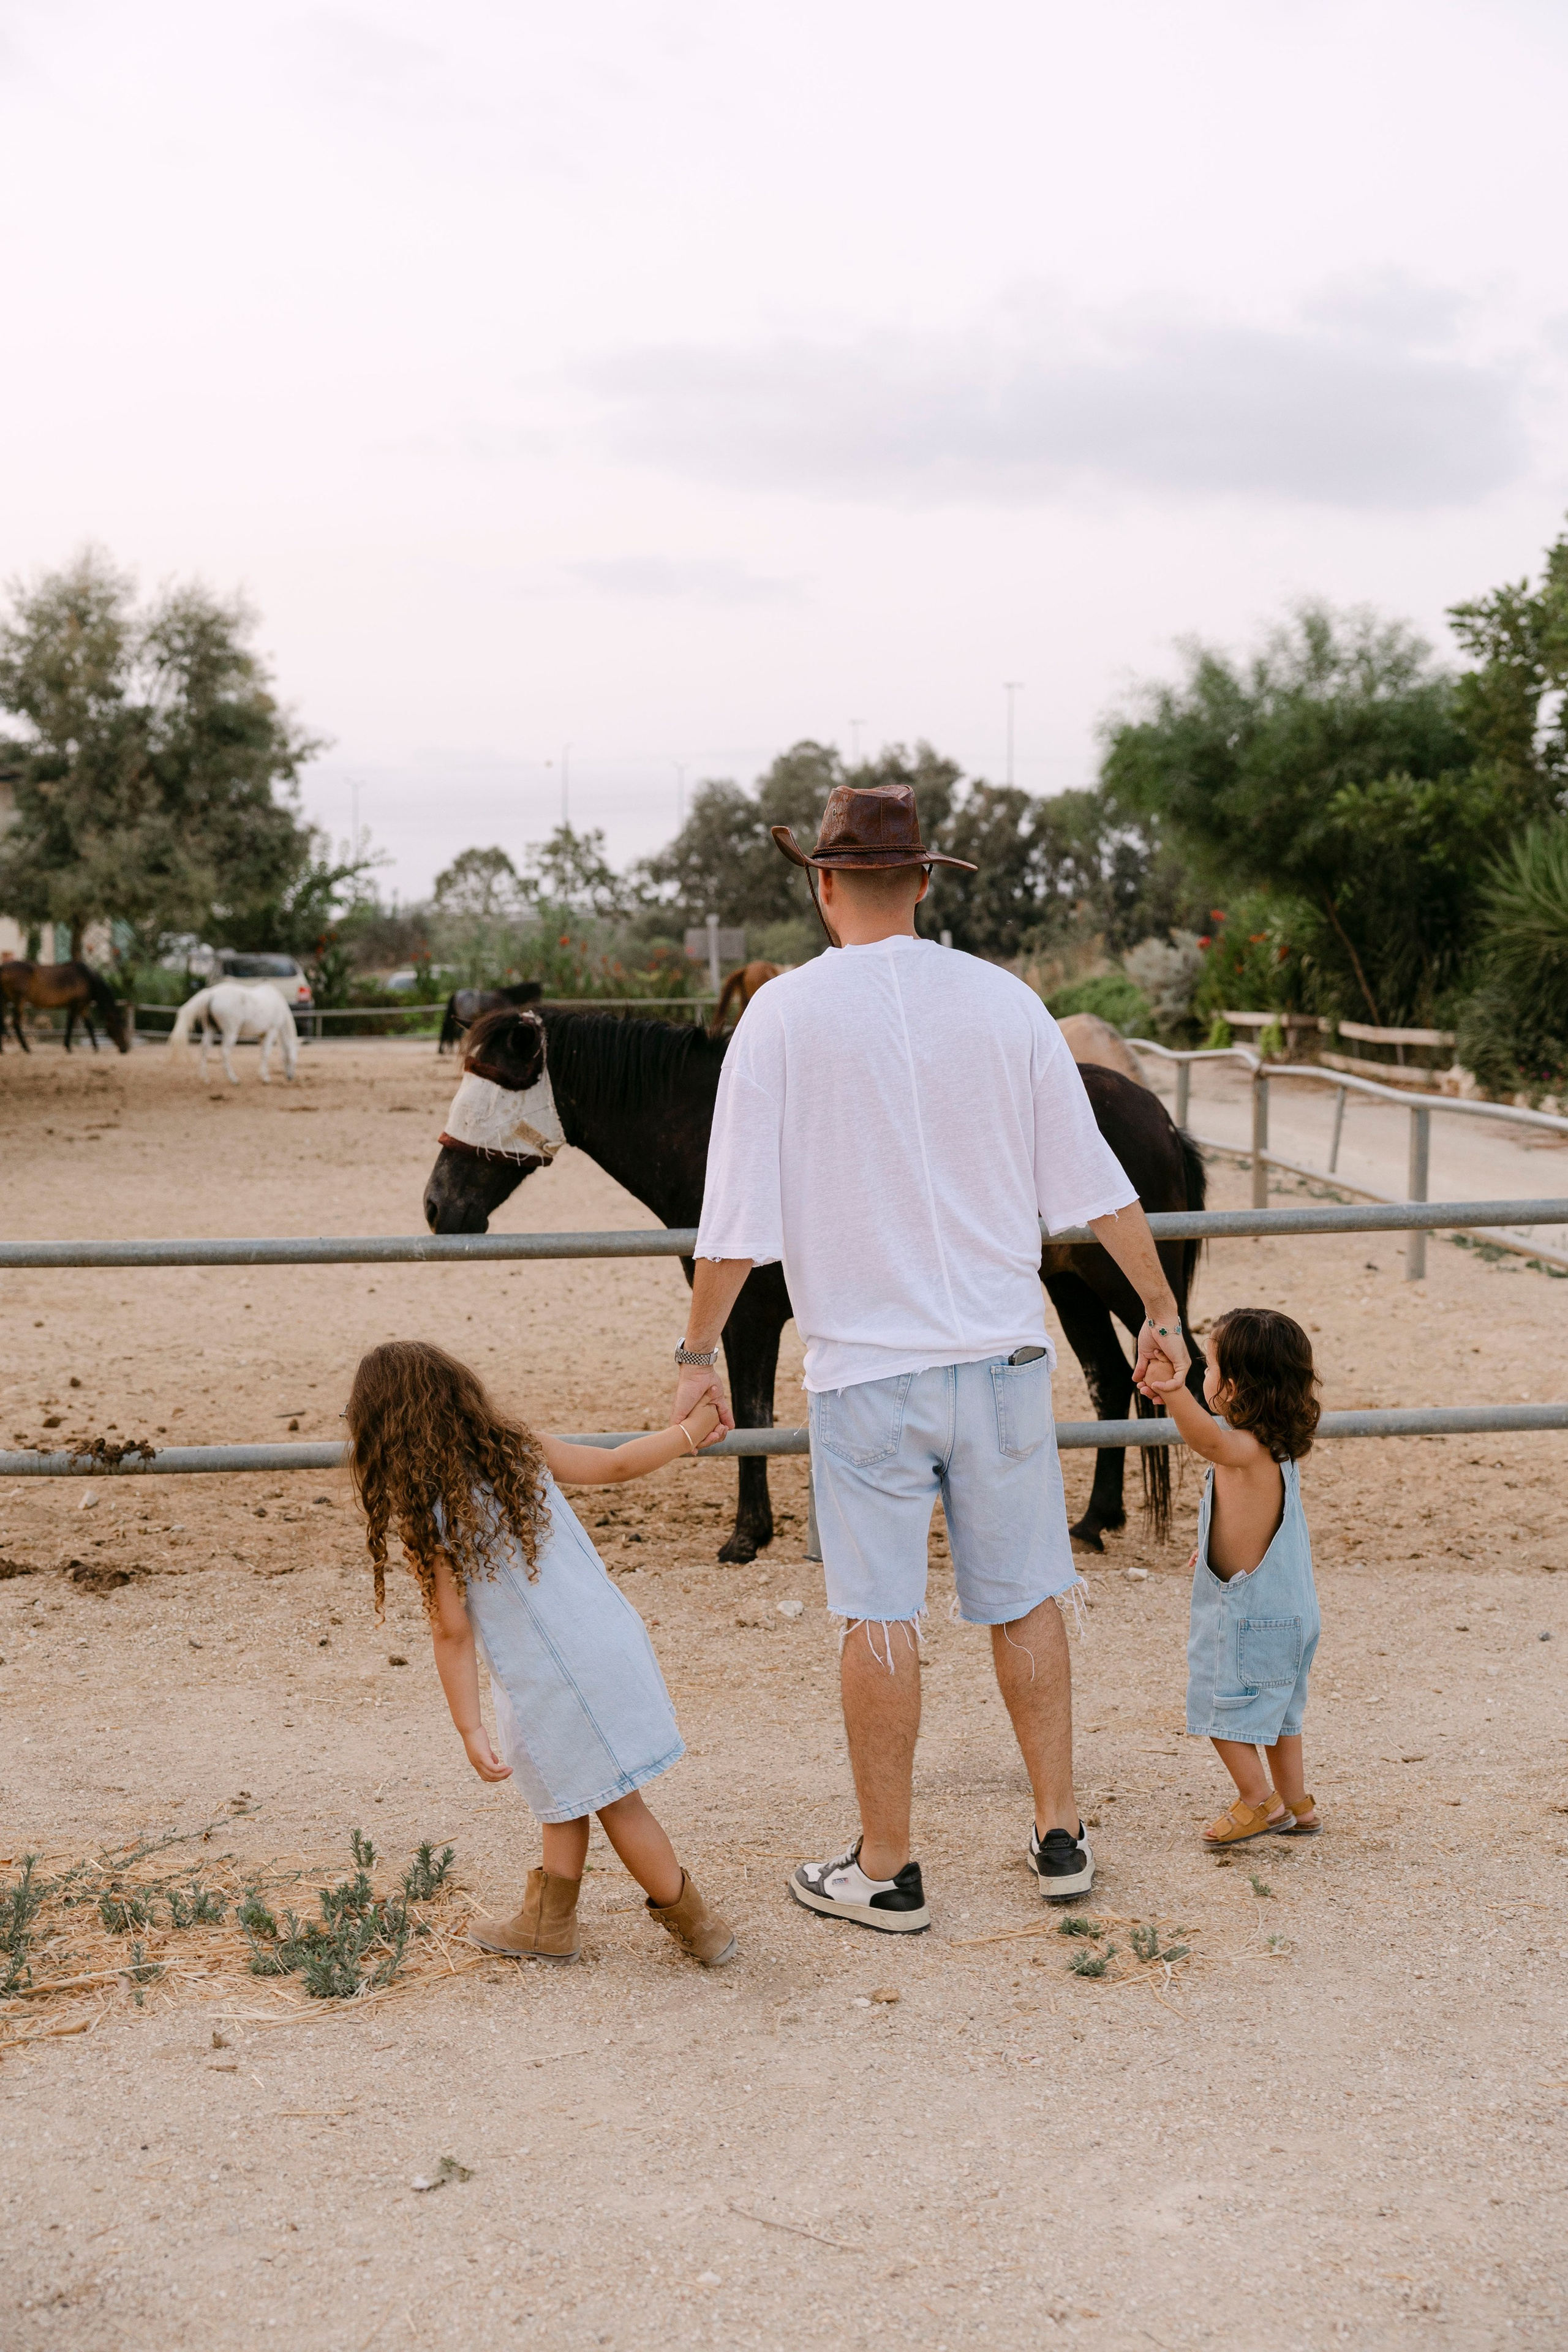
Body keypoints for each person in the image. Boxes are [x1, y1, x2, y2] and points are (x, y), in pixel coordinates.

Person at [669, 781, 1192, 1931]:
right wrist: (1160, 1311)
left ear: (822, 887)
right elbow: (1097, 1184)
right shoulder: (1006, 1004)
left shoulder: (784, 1018)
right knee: (1029, 1594)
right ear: (922, 882)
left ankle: (889, 1866)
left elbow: (736, 1222)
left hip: (867, 1370)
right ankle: (1059, 1834)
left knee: (879, 1614)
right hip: (1003, 1357)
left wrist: (697, 1350)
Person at [344, 1338, 737, 1966]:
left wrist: (467, 1725)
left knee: (615, 1800)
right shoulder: (517, 1451)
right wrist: (692, 1429)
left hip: (551, 1675)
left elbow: (451, 1631)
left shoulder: (430, 1514)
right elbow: (615, 1466)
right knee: (563, 1786)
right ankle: (547, 1923)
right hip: (604, 1638)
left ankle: (699, 1925)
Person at [1139, 1306, 1322, 1844]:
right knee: (1281, 1712)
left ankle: (1257, 1800)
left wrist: (1174, 1393)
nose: (1203, 1379)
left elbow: (1208, 1442)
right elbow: (1256, 1524)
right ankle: (1298, 1803)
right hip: (1290, 1609)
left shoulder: (1241, 1449)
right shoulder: (1280, 1448)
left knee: (1220, 1709)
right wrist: (1213, 1546)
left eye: (1210, 1371)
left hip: (1249, 1617)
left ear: (1236, 1385)